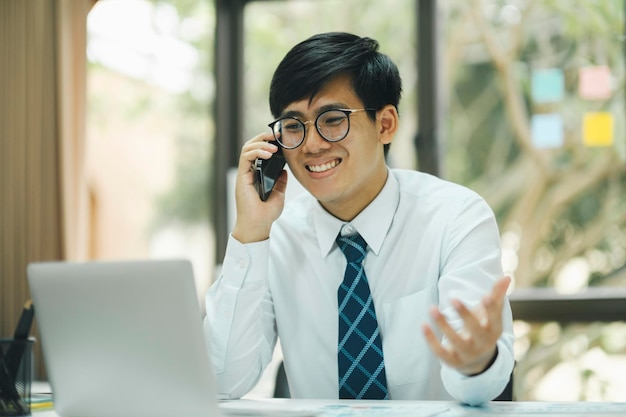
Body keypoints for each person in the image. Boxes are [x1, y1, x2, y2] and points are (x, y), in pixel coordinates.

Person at [203, 32, 514, 405]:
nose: (311, 144)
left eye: (332, 119)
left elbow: (477, 388)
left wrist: (477, 360)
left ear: (385, 124)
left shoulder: (455, 218)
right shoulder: (276, 233)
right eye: (293, 125)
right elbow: (221, 381)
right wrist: (250, 232)